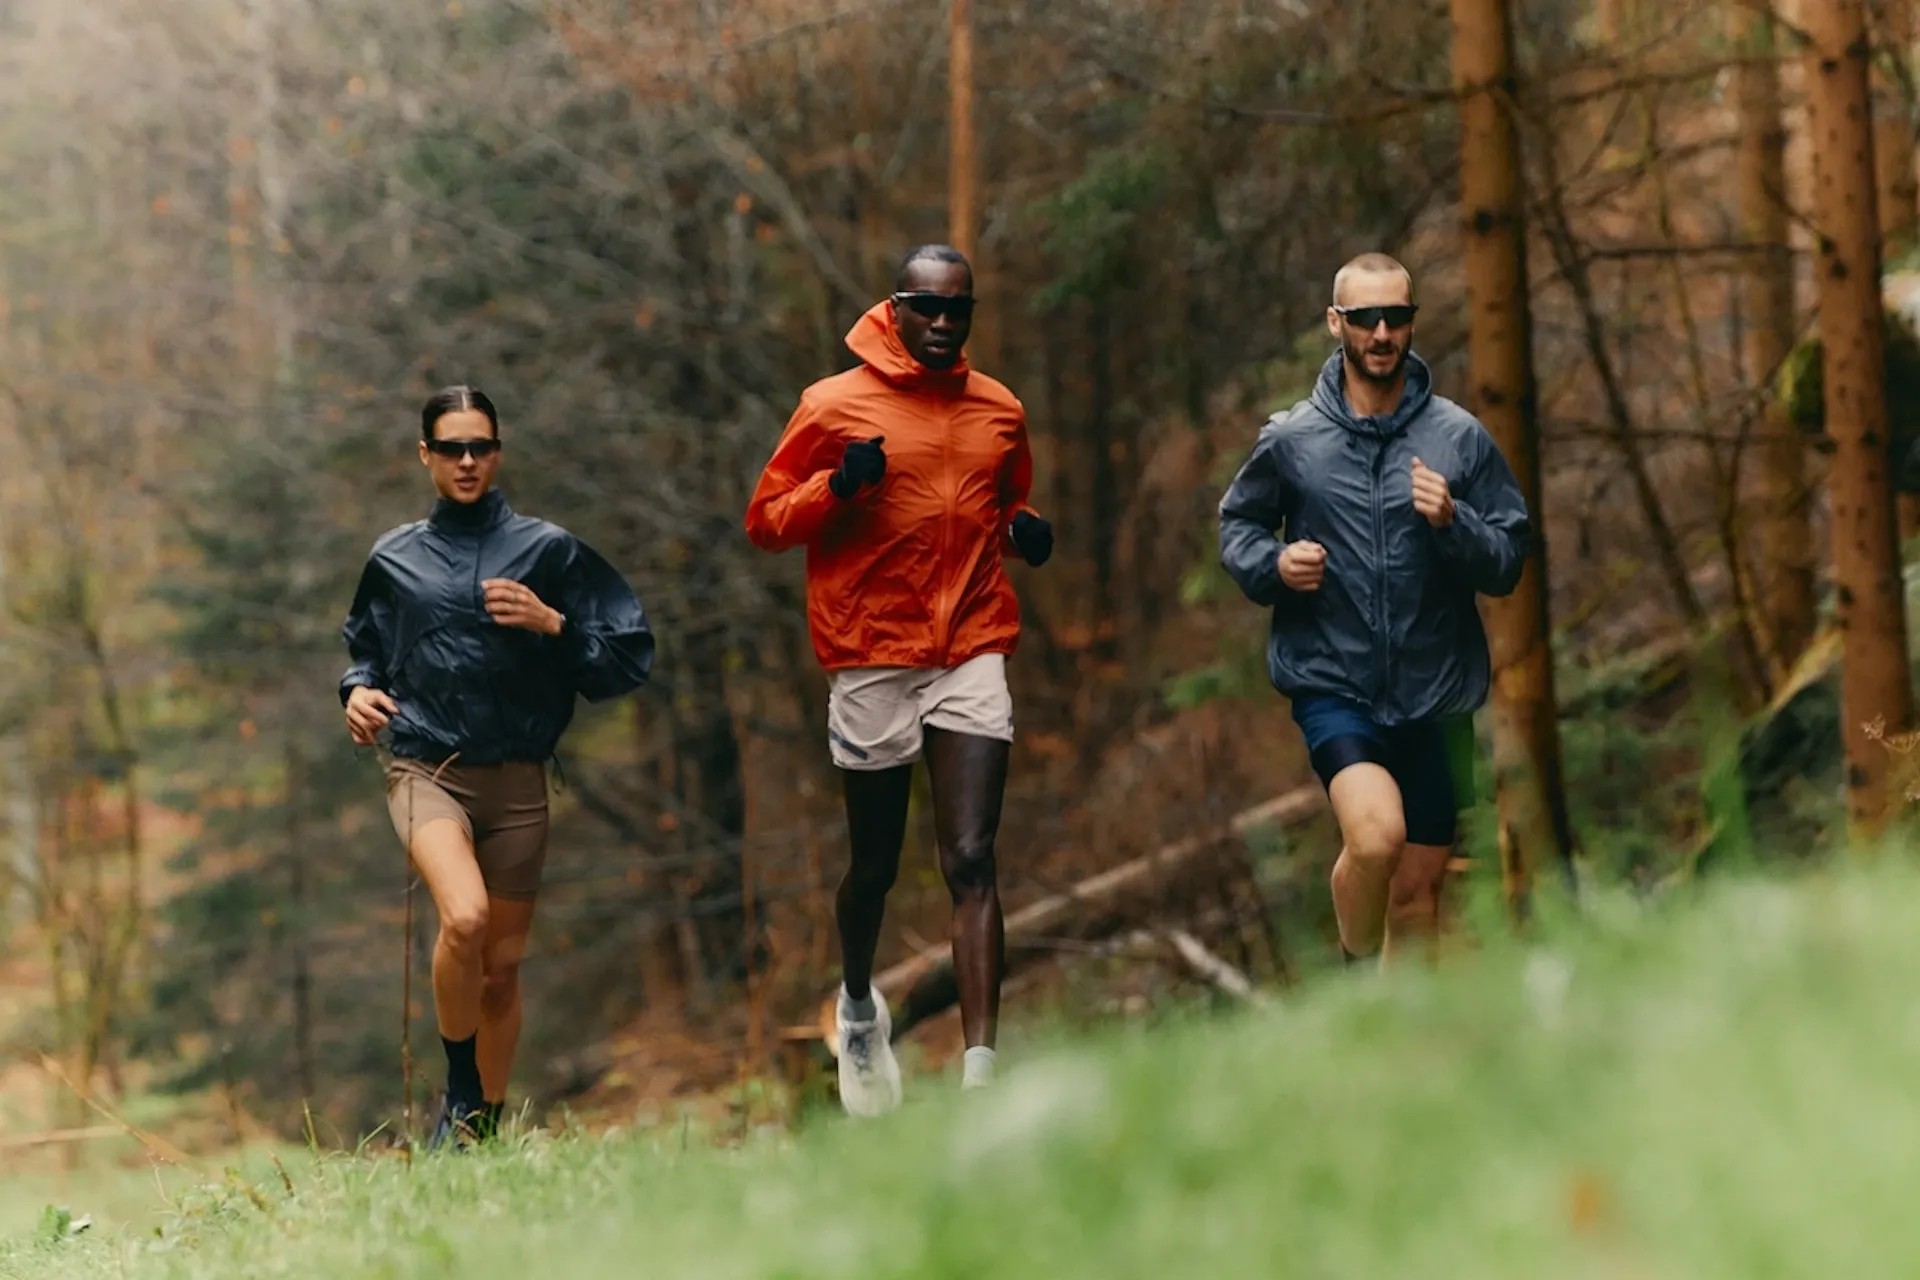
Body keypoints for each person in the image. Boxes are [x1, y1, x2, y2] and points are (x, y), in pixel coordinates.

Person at [745, 245, 1053, 1116]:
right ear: (898, 307)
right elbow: (766, 520)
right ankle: (856, 1005)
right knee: (874, 865)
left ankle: (980, 1072)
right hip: (870, 651)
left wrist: (1026, 531)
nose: (946, 325)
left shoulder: (999, 407)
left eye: (961, 311)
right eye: (929, 308)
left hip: (971, 643)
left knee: (970, 858)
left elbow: (1006, 500)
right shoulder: (832, 404)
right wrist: (838, 488)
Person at [340, 385, 654, 1149]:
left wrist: (553, 624)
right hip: (426, 769)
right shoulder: (395, 556)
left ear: (499, 451)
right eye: (452, 448)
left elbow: (624, 661)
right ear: (427, 456)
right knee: (467, 918)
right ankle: (459, 1085)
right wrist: (355, 694)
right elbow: (365, 653)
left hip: (517, 783)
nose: (468, 461)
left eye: (481, 446)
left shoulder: (549, 550)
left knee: (502, 971)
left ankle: (480, 1132)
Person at [1217, 253, 1530, 968]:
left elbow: (1510, 556)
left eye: (1396, 317)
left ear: (1412, 323)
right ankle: (1356, 979)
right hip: (1336, 682)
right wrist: (1274, 564)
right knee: (1377, 836)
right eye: (1365, 319)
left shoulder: (1458, 437)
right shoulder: (1294, 441)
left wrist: (1456, 522)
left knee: (1418, 896)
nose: (1382, 332)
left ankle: (1397, 1049)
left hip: (1439, 690)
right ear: (1337, 324)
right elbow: (1238, 525)